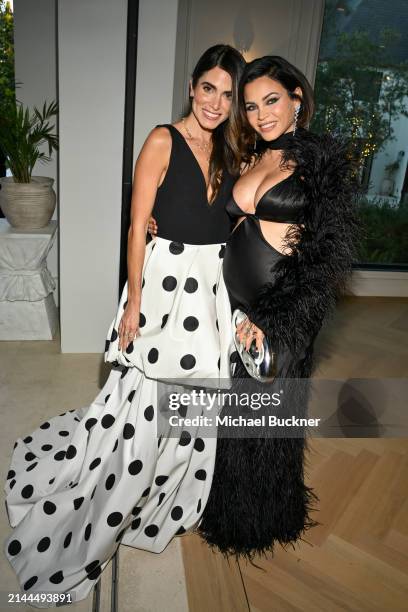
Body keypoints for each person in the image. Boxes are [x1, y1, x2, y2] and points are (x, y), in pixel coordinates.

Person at [3, 44, 245, 606]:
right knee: (143, 401)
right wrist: (135, 302)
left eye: (227, 94)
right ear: (191, 87)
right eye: (207, 88)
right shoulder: (162, 139)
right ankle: (113, 495)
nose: (215, 102)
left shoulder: (234, 148)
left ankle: (168, 491)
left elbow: (231, 224)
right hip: (163, 284)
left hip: (210, 287)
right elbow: (137, 227)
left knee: (196, 399)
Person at [196, 55, 360, 562]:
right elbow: (225, 228)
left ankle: (260, 521)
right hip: (236, 307)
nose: (261, 114)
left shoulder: (320, 162)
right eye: (250, 106)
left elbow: (325, 258)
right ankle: (228, 509)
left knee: (267, 421)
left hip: (281, 311)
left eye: (272, 100)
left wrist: (275, 321)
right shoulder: (252, 158)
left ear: (297, 99)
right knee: (233, 415)